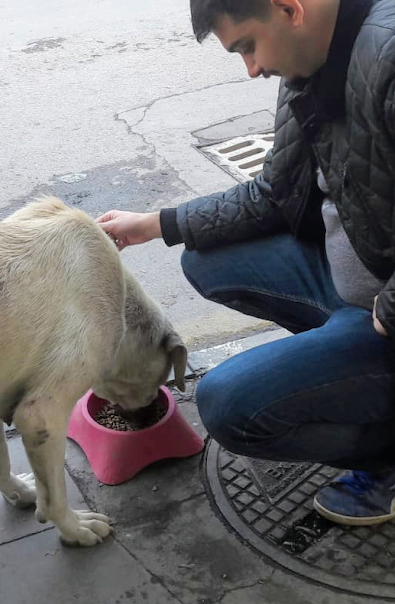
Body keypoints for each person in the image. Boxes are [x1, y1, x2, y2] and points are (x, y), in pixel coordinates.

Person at [97, 0, 395, 526]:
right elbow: (273, 195)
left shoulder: (387, 57)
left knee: (230, 405)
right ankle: (344, 373)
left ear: (289, 8)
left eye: (248, 47)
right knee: (206, 259)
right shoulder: (311, 60)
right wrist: (156, 223)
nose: (252, 69)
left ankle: (385, 458)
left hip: (383, 313)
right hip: (350, 276)